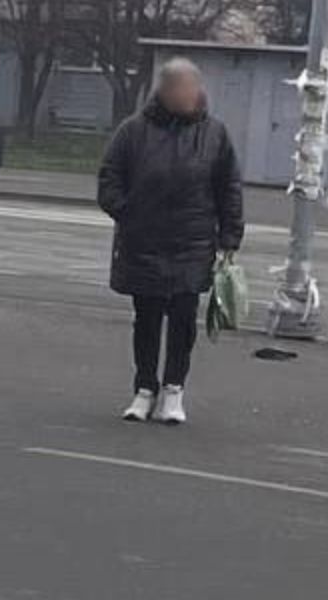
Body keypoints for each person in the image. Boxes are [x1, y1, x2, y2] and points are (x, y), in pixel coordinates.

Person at [96, 58, 244, 426]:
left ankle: (174, 391)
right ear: (163, 91)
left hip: (192, 243)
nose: (186, 95)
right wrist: (128, 212)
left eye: (191, 88)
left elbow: (229, 188)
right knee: (146, 319)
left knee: (182, 319)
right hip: (143, 241)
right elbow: (109, 178)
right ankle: (144, 389)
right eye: (178, 88)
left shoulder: (215, 134)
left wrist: (230, 236)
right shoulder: (133, 131)